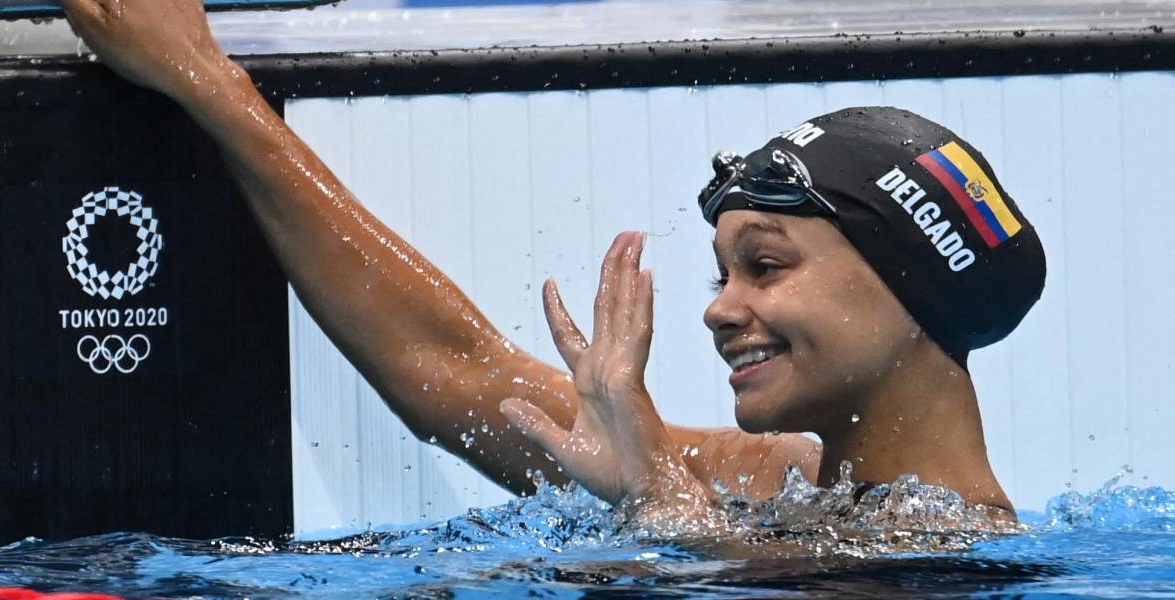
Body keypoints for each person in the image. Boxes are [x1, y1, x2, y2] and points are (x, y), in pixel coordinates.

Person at [57, 0, 1043, 524]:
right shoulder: (777, 480)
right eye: (720, 275)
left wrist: (659, 507)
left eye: (766, 266)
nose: (717, 310)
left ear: (914, 288)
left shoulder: (949, 555)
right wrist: (210, 85)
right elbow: (462, 379)